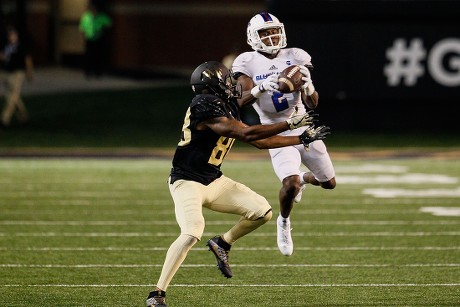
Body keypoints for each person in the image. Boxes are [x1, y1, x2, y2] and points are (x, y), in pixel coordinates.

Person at [145, 61, 329, 306]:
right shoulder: (204, 104)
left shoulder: (223, 103)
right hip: (187, 181)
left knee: (261, 211)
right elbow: (247, 134)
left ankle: (222, 243)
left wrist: (299, 137)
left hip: (213, 180)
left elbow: (259, 140)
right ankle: (157, 293)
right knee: (191, 232)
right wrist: (291, 125)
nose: (233, 85)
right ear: (216, 84)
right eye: (228, 81)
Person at [232, 12, 336, 256]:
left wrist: (308, 85)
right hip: (274, 128)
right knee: (289, 184)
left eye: (274, 31)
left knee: (329, 183)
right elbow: (240, 101)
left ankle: (304, 178)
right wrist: (260, 88)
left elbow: (313, 104)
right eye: (265, 33)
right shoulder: (246, 61)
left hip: (303, 125)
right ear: (253, 36)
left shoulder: (296, 56)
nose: (272, 36)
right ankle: (284, 222)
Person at [0, 26, 33, 128]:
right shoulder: (5, 45)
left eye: (14, 35)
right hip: (5, 72)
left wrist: (29, 72)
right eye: (10, 35)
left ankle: (4, 120)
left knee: (13, 96)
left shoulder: (21, 46)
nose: (12, 37)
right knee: (13, 97)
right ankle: (24, 117)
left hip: (17, 73)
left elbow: (28, 59)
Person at [79, 2, 112, 78]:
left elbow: (109, 24)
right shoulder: (86, 17)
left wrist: (102, 28)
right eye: (91, 9)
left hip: (98, 39)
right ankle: (88, 72)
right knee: (89, 56)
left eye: (94, 9)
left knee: (97, 56)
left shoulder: (101, 17)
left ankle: (98, 72)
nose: (93, 11)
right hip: (89, 39)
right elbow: (82, 28)